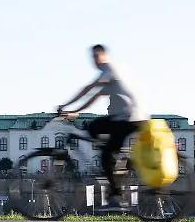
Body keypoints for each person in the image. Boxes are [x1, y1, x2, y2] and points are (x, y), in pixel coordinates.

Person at [57, 44, 150, 210]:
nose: (95, 60)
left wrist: (65, 105)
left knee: (106, 154)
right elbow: (95, 96)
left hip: (130, 118)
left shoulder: (110, 70)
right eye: (93, 57)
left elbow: (89, 88)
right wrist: (74, 111)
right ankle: (117, 156)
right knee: (94, 127)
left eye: (97, 56)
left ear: (104, 56)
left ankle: (116, 197)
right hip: (121, 118)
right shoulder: (109, 75)